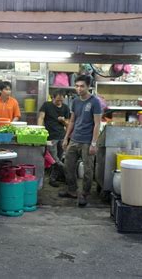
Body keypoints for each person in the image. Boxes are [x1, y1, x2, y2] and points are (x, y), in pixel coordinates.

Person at [58, 75, 101, 207]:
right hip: (74, 139)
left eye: (82, 86)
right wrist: (66, 138)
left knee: (88, 171)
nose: (79, 88)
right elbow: (72, 121)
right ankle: (72, 190)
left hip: (87, 141)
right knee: (67, 166)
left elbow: (97, 124)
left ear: (88, 86)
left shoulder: (95, 102)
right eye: (77, 86)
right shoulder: (75, 101)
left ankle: (84, 194)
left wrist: (94, 143)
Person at [38, 90, 70, 187]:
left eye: (61, 100)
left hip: (61, 136)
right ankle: (68, 173)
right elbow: (41, 118)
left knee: (59, 158)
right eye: (57, 100)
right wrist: (40, 131)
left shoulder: (65, 108)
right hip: (50, 137)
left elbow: (68, 124)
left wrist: (63, 121)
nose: (59, 102)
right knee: (54, 160)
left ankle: (53, 179)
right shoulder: (46, 105)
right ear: (52, 98)